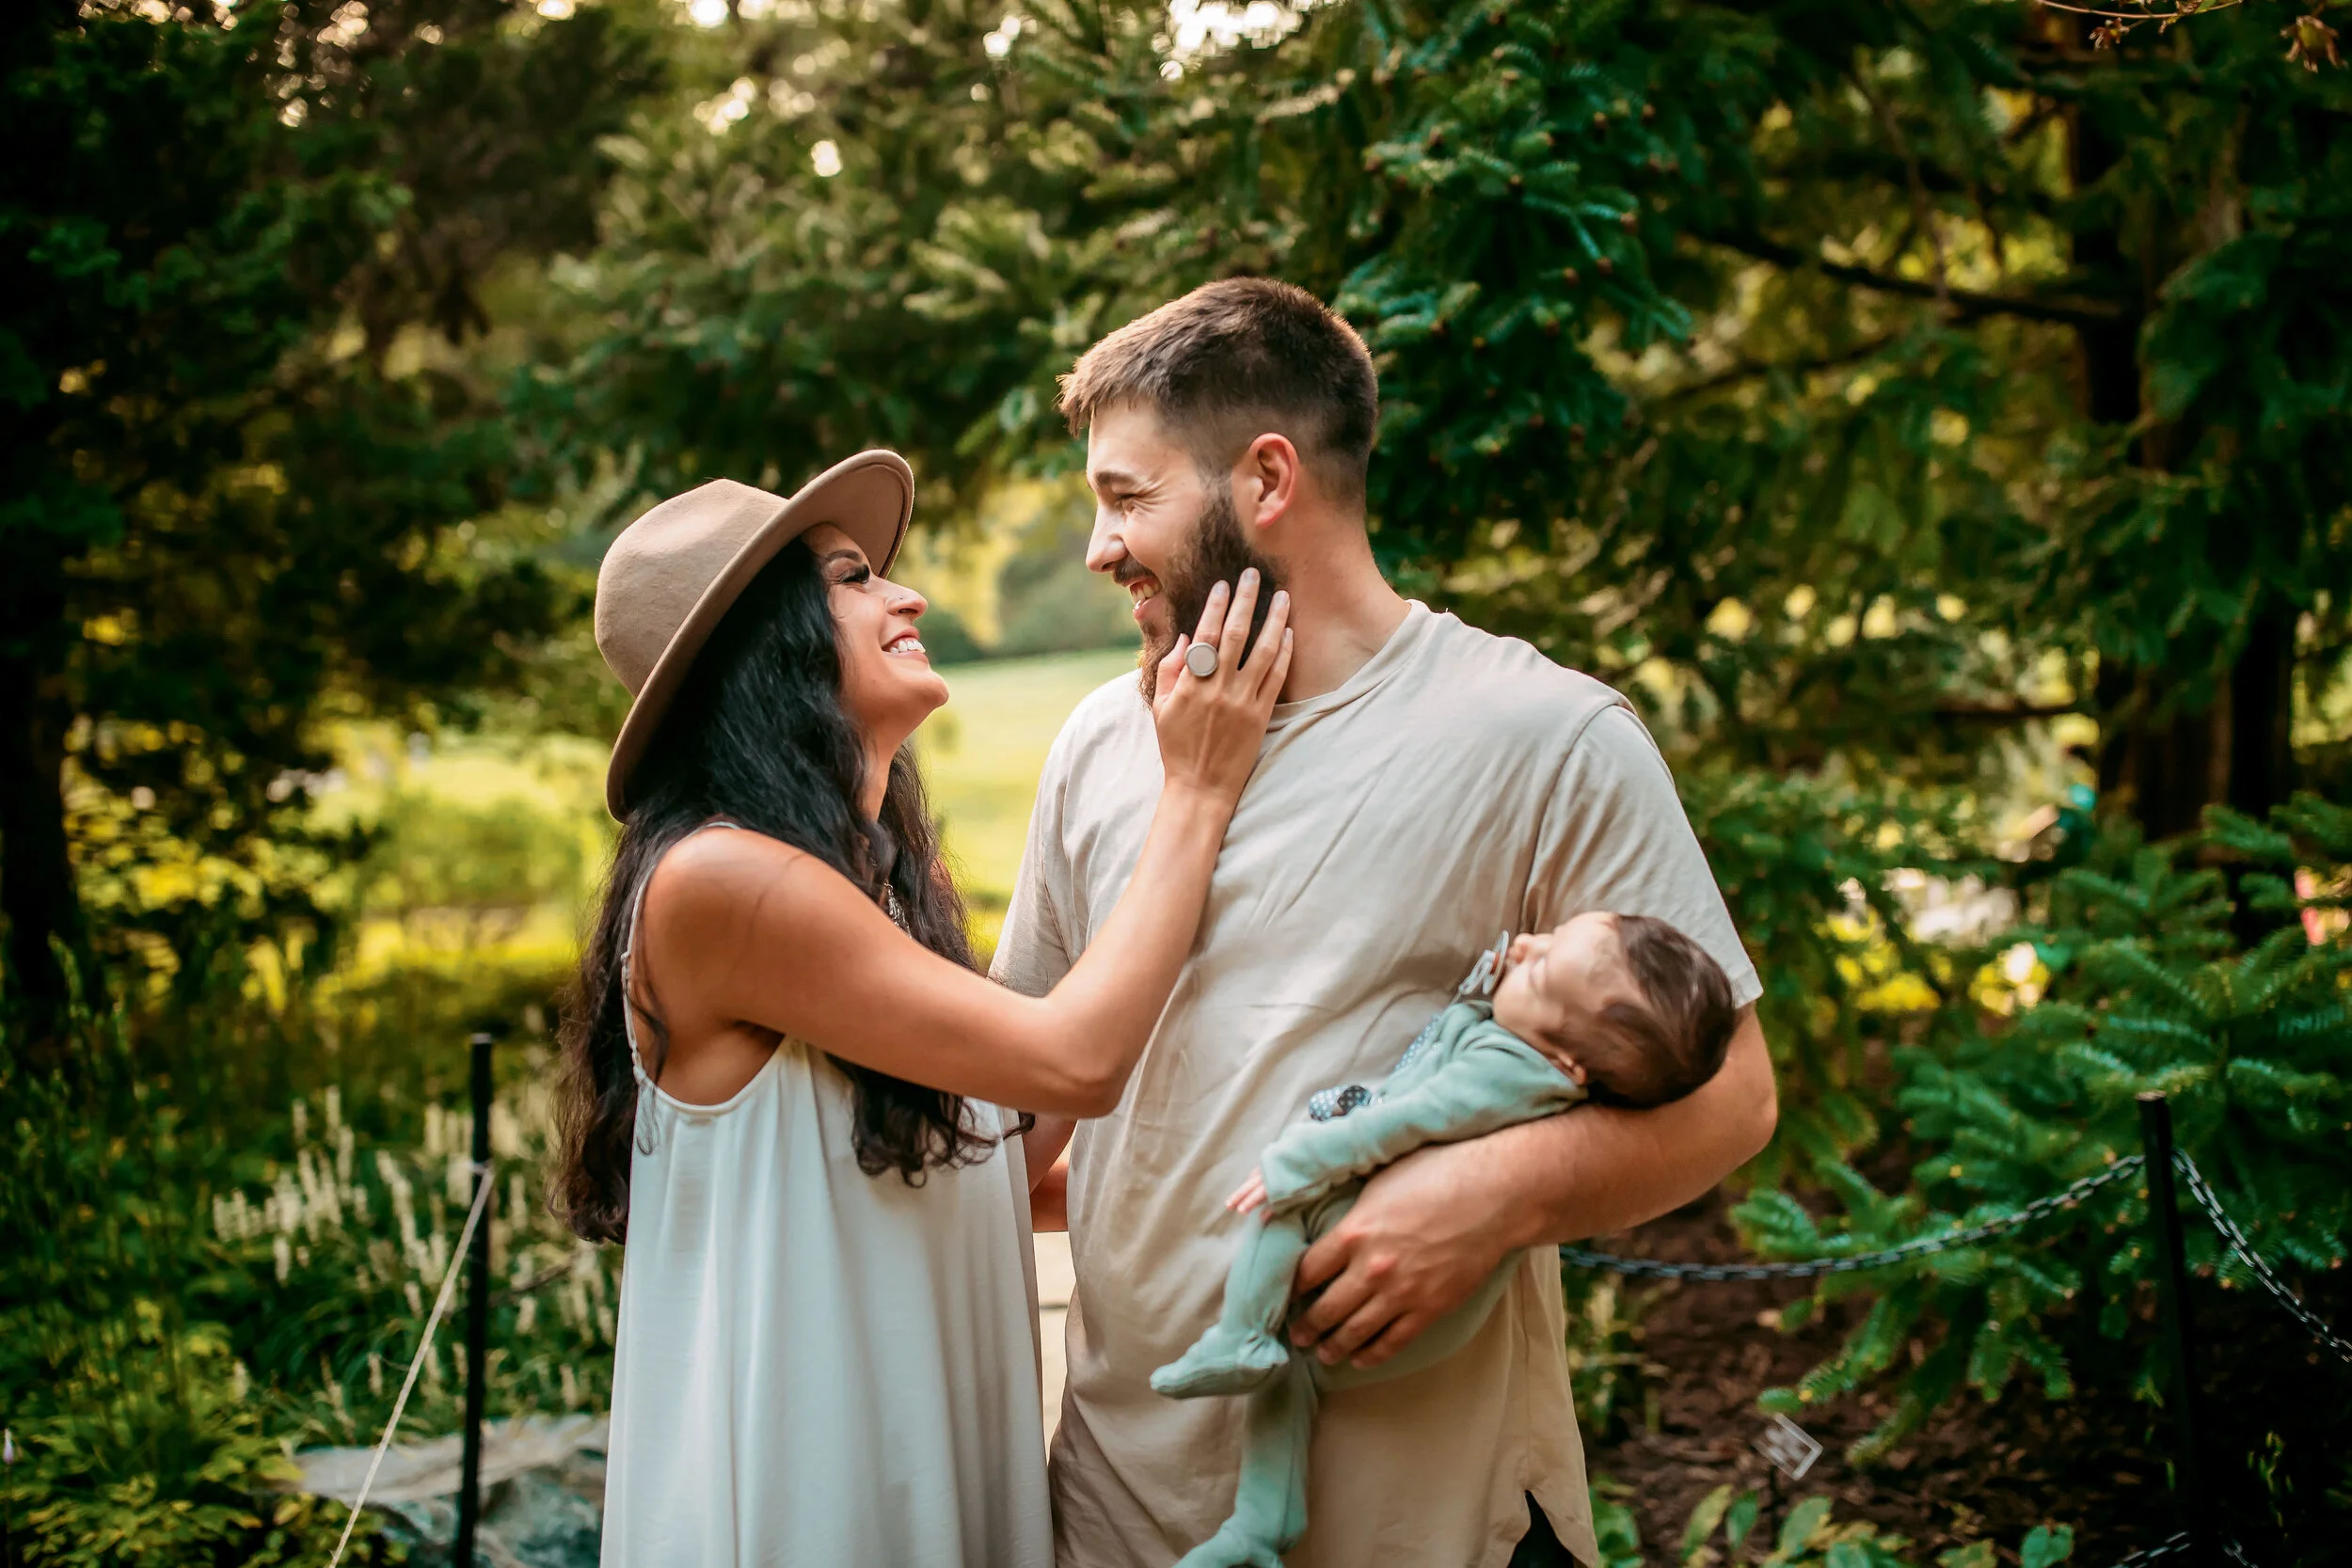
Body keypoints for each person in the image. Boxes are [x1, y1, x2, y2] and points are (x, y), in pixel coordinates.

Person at [996, 279, 1776, 1568]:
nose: (1097, 545)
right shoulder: (1096, 741)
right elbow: (1018, 1118)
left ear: (1266, 480)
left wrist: (1492, 1188)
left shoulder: (1546, 736)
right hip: (1121, 1507)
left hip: (1427, 1520)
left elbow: (1738, 1096)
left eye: (1126, 496)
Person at [549, 450, 1293, 1568]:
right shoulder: (716, 881)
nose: (908, 594)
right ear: (768, 646)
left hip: (912, 1487)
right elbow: (1075, 1059)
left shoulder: (875, 885)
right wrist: (1192, 787)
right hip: (810, 1510)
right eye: (853, 578)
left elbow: (999, 1147)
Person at [1153, 912, 1739, 1568]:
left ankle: (1240, 1335)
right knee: (1290, 1381)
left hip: (1398, 1281)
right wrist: (1511, 973)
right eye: (1545, 938)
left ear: (1567, 1059)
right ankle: (1261, 1524)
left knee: (1278, 1214)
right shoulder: (1534, 1055)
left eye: (1541, 967)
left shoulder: (1510, 1071)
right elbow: (1469, 1016)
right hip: (1432, 1311)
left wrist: (1298, 1160)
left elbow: (1411, 1117)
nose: (1525, 947)